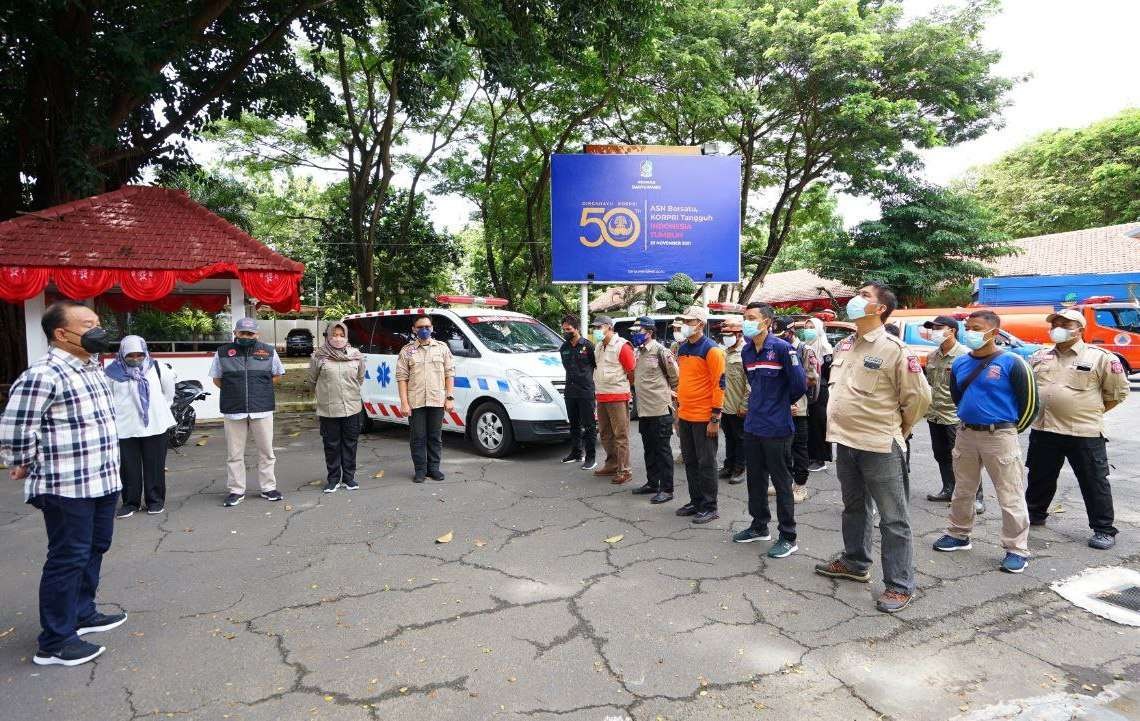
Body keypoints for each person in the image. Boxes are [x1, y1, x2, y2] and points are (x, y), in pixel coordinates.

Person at [0, 301, 127, 667]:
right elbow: (16, 427)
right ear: (62, 333)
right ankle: (54, 641)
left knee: (96, 547)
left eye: (98, 322)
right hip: (65, 485)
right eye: (89, 324)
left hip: (102, 479)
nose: (98, 329)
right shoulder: (44, 374)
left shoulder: (90, 368)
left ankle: (82, 613)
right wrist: (22, 461)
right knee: (68, 557)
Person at [814, 282, 931, 613]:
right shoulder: (847, 345)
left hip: (879, 444)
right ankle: (855, 562)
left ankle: (899, 584)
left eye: (864, 296)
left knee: (893, 518)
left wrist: (901, 429)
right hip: (845, 441)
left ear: (880, 309)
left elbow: (918, 399)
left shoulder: (894, 349)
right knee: (854, 507)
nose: (855, 299)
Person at [932, 310, 1038, 574]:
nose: (971, 332)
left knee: (1009, 493)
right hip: (966, 434)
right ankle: (958, 534)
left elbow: (1031, 405)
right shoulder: (960, 363)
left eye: (976, 327)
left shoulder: (1013, 362)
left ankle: (1016, 549)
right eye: (968, 326)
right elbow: (959, 397)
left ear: (993, 331)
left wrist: (1008, 430)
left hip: (1000, 436)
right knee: (963, 489)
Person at [1025, 308, 1129, 550]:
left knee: (1094, 480)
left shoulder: (1101, 358)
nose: (1058, 328)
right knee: (1040, 476)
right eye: (1055, 323)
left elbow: (1117, 393)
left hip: (1083, 432)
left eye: (1065, 324)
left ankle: (1103, 529)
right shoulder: (1040, 356)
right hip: (1044, 428)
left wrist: (1086, 411)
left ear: (1080, 330)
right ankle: (1035, 514)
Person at [734, 303, 808, 558]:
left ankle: (788, 536)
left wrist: (781, 404)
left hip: (777, 427)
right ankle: (759, 526)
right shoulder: (746, 352)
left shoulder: (782, 349)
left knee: (781, 483)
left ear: (767, 323)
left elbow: (799, 384)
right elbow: (752, 382)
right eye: (745, 318)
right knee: (755, 480)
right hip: (754, 425)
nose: (747, 322)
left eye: (752, 318)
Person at [211, 317, 286, 507]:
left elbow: (276, 375)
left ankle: (268, 488)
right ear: (235, 333)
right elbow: (217, 379)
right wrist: (234, 391)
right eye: (242, 333)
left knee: (267, 452)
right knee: (234, 454)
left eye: (250, 333)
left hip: (262, 409)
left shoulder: (268, 351)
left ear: (257, 334)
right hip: (233, 410)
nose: (246, 336)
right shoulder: (223, 352)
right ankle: (236, 490)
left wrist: (258, 390)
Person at [105, 335, 176, 518]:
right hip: (124, 428)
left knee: (155, 465)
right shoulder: (111, 373)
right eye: (130, 355)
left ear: (145, 352)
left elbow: (168, 395)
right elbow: (106, 400)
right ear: (122, 354)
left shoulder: (158, 368)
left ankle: (155, 501)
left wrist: (154, 412)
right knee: (128, 468)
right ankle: (130, 503)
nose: (135, 359)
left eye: (139, 355)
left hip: (155, 426)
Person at [921, 316, 983, 512]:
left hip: (955, 415)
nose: (935, 331)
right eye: (933, 328)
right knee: (941, 455)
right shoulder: (932, 356)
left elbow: (974, 388)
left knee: (964, 458)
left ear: (952, 330)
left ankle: (976, 498)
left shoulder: (966, 356)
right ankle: (949, 488)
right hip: (935, 414)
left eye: (940, 327)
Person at [674, 305, 727, 524]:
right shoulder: (683, 348)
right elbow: (683, 382)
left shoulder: (712, 350)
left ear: (701, 325)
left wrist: (715, 418)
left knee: (706, 463)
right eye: (684, 321)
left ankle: (709, 506)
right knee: (690, 461)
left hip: (704, 417)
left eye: (689, 322)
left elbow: (719, 385)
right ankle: (696, 501)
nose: (685, 325)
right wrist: (678, 413)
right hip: (685, 414)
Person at [396, 315, 456, 483]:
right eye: (420, 327)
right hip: (416, 401)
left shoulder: (442, 348)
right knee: (418, 437)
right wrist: (404, 402)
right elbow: (402, 378)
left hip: (437, 400)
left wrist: (449, 397)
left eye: (427, 326)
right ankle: (420, 470)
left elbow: (449, 373)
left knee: (435, 437)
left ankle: (434, 469)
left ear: (431, 328)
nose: (424, 330)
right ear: (414, 329)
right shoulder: (407, 350)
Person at [309, 322, 366, 493]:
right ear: (327, 336)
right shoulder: (318, 356)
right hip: (328, 409)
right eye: (334, 334)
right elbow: (312, 380)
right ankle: (333, 479)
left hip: (352, 407)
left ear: (347, 336)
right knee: (331, 444)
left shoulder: (356, 355)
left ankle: (349, 478)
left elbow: (360, 378)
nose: (338, 338)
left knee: (350, 444)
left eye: (341, 335)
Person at [629, 316, 679, 503]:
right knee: (649, 449)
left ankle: (667, 489)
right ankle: (652, 483)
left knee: (662, 451)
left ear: (649, 332)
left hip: (659, 410)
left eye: (638, 331)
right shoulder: (639, 352)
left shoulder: (661, 351)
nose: (635, 334)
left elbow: (675, 377)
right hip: (644, 410)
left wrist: (669, 393)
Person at [775, 317, 819, 503]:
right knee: (780, 448)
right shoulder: (776, 347)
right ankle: (784, 483)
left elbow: (812, 379)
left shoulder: (804, 351)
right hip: (779, 407)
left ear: (791, 331)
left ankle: (800, 486)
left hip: (797, 407)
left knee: (799, 447)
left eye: (782, 334)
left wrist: (791, 394)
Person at [590, 315, 636, 484]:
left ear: (609, 327)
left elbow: (631, 371)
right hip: (601, 394)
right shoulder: (599, 346)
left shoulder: (621, 345)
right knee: (605, 433)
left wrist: (624, 387)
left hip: (617, 395)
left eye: (599, 327)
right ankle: (612, 464)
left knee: (621, 435)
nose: (596, 330)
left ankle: (625, 470)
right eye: (594, 328)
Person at [558, 314, 598, 470]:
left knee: (589, 426)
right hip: (570, 391)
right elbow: (566, 367)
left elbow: (596, 366)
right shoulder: (564, 347)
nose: (566, 332)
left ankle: (591, 457)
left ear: (577, 329)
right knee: (573, 424)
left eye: (568, 329)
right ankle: (576, 453)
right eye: (564, 329)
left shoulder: (588, 346)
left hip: (586, 391)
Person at [718, 316, 748, 484]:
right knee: (729, 436)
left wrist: (745, 405)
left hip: (739, 404)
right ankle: (728, 465)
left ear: (739, 334)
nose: (726, 336)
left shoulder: (746, 351)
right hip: (725, 404)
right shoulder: (725, 351)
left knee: (741, 438)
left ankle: (739, 468)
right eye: (724, 333)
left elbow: (750, 382)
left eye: (729, 333)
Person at [803, 316, 834, 472]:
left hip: (820, 391)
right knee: (809, 424)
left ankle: (821, 458)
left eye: (811, 327)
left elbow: (830, 374)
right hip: (807, 390)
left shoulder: (826, 349)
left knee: (819, 423)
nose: (808, 331)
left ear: (819, 329)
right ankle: (811, 456)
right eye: (806, 327)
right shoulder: (805, 347)